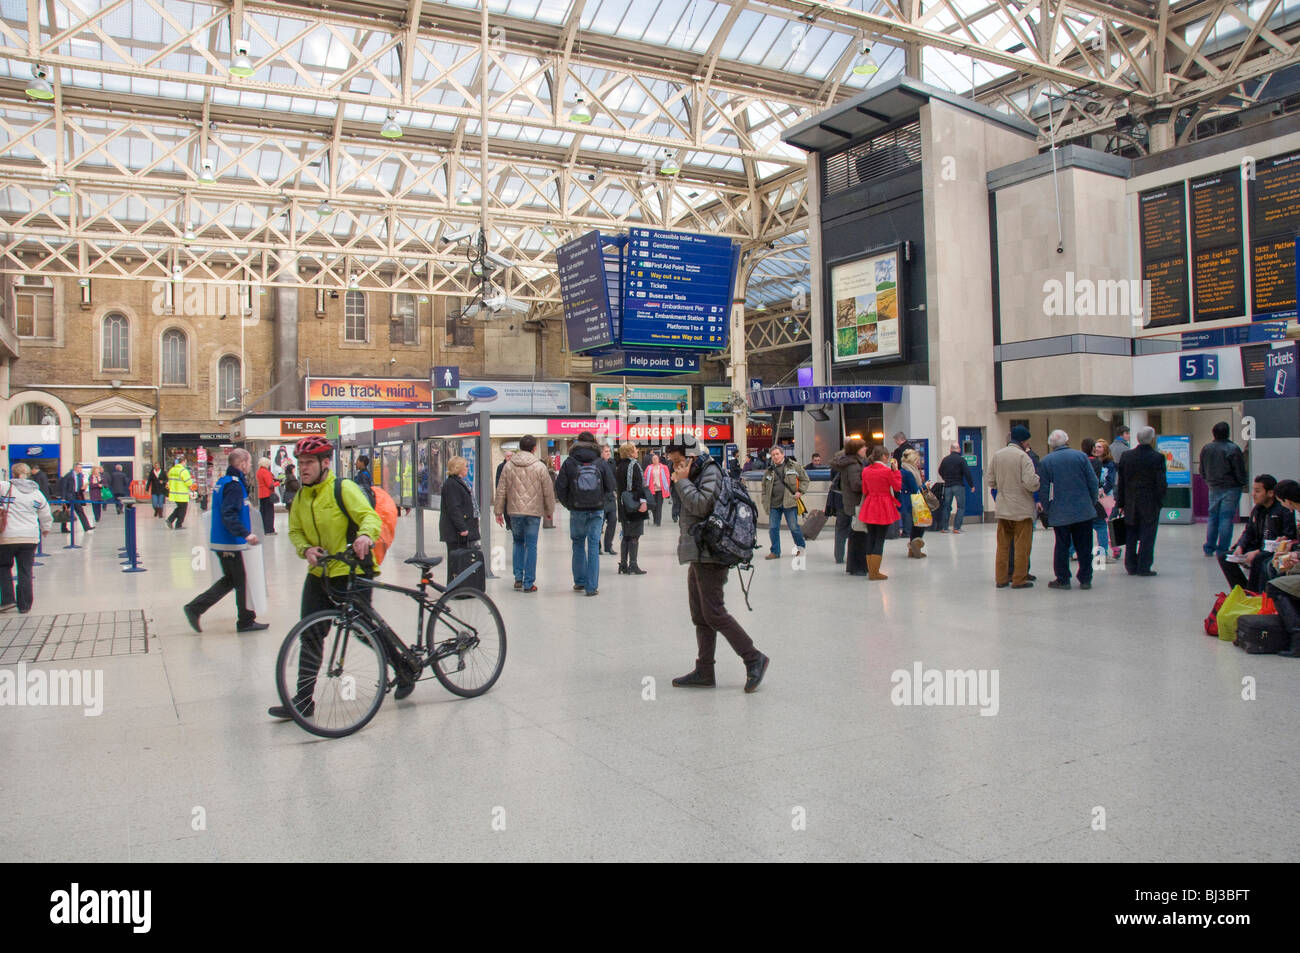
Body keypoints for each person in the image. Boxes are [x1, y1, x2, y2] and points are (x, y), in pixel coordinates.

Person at [269, 435, 415, 720]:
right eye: (300, 463)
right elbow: (295, 531)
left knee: (363, 630)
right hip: (319, 573)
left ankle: (404, 668)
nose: (303, 468)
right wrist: (306, 549)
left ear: (325, 463)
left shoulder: (342, 488)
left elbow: (369, 518)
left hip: (352, 571)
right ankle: (303, 700)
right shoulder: (301, 496)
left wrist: (364, 535)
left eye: (309, 462)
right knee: (311, 633)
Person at [665, 434, 769, 692]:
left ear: (690, 457)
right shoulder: (696, 472)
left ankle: (753, 657)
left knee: (714, 612)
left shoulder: (710, 472)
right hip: (699, 552)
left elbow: (701, 505)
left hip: (712, 553)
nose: (674, 467)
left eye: (677, 462)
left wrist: (683, 482)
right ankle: (705, 669)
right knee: (700, 615)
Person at [182, 448, 267, 634]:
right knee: (239, 581)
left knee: (232, 580)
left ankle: (199, 609)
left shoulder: (224, 481)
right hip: (230, 542)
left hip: (223, 540)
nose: (250, 467)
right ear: (242, 463)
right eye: (249, 463)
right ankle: (243, 621)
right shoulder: (234, 485)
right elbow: (228, 514)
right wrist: (246, 533)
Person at [554, 431, 615, 597]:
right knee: (594, 546)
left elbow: (560, 487)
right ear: (594, 443)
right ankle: (591, 586)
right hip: (596, 509)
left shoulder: (570, 462)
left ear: (577, 442)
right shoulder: (600, 462)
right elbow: (611, 485)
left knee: (578, 544)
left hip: (577, 509)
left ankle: (580, 581)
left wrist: (569, 504)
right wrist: (601, 499)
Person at [1038, 430, 1100, 591]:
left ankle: (1063, 578)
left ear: (1051, 444)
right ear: (1067, 440)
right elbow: (1093, 482)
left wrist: (1047, 508)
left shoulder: (1046, 461)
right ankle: (1086, 579)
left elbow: (1044, 489)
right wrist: (1091, 501)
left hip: (1060, 510)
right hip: (1083, 509)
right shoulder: (1081, 457)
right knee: (1085, 546)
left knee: (1062, 546)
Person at [493, 435, 555, 593]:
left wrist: (498, 511)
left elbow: (501, 490)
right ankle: (529, 583)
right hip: (534, 512)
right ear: (534, 448)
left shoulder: (509, 466)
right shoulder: (539, 466)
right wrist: (549, 511)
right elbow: (548, 491)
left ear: (519, 447)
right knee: (531, 545)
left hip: (514, 512)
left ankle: (518, 578)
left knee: (518, 542)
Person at [1218, 474, 1295, 593]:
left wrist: (1258, 551)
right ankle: (1242, 590)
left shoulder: (1283, 510)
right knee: (1224, 557)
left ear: (1270, 493)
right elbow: (1248, 531)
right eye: (1253, 490)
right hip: (1257, 546)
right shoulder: (1257, 510)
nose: (1253, 494)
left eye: (1258, 491)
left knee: (1259, 559)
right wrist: (1240, 546)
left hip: (1271, 549)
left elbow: (1288, 536)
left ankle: (1254, 592)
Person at [989, 425, 1040, 589]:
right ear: (1024, 440)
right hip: (1021, 508)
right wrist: (1037, 481)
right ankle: (1019, 579)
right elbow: (1030, 483)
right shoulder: (1023, 457)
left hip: (1003, 506)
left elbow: (990, 481)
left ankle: (1001, 578)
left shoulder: (997, 455)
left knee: (1002, 546)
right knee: (1022, 546)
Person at [0, 463, 53, 614]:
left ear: (13, 473)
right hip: (30, 536)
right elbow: (45, 513)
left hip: (7, 536)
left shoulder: (5, 487)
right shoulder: (36, 493)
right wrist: (46, 528)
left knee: (3, 567)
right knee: (25, 570)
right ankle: (24, 605)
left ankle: (7, 600)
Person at [1114, 426, 1167, 577]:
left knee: (1131, 533)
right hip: (1150, 502)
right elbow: (1161, 483)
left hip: (1131, 501)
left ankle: (1131, 565)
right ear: (1152, 439)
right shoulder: (1157, 457)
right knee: (1147, 535)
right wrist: (1159, 500)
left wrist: (1121, 503)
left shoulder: (1127, 456)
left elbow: (1122, 481)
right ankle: (1144, 566)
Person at [1199, 421, 1248, 559]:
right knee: (1226, 518)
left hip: (1213, 487)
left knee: (1213, 517)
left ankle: (1209, 547)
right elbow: (1239, 470)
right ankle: (1222, 549)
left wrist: (1208, 480)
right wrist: (1242, 483)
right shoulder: (1233, 449)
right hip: (1231, 487)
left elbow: (1202, 470)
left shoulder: (1206, 448)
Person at [860, 445, 902, 580]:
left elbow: (865, 490)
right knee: (880, 538)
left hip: (870, 504)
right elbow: (897, 486)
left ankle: (871, 570)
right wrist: (896, 471)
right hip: (883, 505)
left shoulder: (866, 470)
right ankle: (875, 572)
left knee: (871, 536)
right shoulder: (887, 471)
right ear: (884, 456)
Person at [761, 445, 808, 560]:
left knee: (794, 527)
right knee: (773, 528)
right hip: (774, 504)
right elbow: (764, 487)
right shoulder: (769, 471)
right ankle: (775, 551)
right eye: (773, 455)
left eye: (777, 454)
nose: (776, 457)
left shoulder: (794, 466)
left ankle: (800, 548)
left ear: (782, 454)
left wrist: (800, 492)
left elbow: (805, 479)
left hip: (789, 503)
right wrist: (764, 499)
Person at [829, 438, 866, 571]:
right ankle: (852, 558)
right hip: (850, 499)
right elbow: (856, 484)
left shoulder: (838, 459)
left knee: (840, 528)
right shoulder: (855, 463)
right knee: (854, 529)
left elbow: (832, 475)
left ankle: (839, 555)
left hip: (839, 496)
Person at [615, 442, 649, 575]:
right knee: (635, 534)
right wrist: (643, 501)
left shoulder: (620, 466)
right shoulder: (634, 465)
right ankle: (633, 565)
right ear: (630, 452)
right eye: (635, 449)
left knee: (626, 535)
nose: (637, 450)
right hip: (634, 504)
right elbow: (638, 485)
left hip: (623, 504)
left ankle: (623, 564)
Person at [439, 456, 480, 558]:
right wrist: (462, 528)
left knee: (465, 561)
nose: (468, 468)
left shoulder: (459, 482)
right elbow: (453, 508)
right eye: (466, 466)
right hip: (457, 532)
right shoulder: (452, 484)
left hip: (464, 529)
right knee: (458, 562)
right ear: (458, 468)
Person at [895, 448, 929, 559]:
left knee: (914, 526)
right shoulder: (910, 473)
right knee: (920, 525)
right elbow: (916, 490)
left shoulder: (901, 470)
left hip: (906, 501)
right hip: (915, 501)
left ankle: (912, 549)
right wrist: (925, 486)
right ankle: (915, 547)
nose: (918, 462)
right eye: (917, 460)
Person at [936, 443, 975, 533]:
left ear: (950, 449)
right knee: (960, 507)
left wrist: (945, 478)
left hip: (948, 486)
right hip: (958, 485)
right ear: (959, 449)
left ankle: (945, 527)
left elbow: (940, 470)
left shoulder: (945, 459)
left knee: (946, 507)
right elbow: (967, 473)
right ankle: (957, 528)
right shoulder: (961, 460)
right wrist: (971, 485)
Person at [58, 463, 92, 533]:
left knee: (80, 510)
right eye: (79, 468)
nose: (80, 469)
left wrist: (82, 489)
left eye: (81, 468)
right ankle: (64, 528)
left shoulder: (80, 476)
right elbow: (64, 487)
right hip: (68, 496)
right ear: (75, 468)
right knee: (65, 512)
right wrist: (63, 498)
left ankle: (86, 526)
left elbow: (79, 487)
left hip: (76, 495)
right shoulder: (68, 475)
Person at [165, 455, 195, 529]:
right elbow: (188, 483)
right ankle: (178, 524)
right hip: (182, 494)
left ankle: (170, 520)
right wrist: (192, 482)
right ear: (183, 461)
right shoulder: (183, 471)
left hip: (173, 493)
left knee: (179, 508)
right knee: (183, 510)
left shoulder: (172, 470)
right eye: (185, 462)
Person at [599, 443, 618, 556]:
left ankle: (608, 545)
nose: (608, 454)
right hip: (600, 498)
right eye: (606, 451)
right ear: (601, 453)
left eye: (609, 451)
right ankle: (597, 546)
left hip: (610, 497)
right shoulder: (597, 464)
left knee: (613, 520)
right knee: (599, 523)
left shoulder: (612, 463)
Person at [644, 452, 671, 527]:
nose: (655, 460)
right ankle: (655, 519)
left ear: (658, 459)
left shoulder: (664, 467)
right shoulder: (649, 467)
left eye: (656, 458)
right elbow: (645, 477)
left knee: (659, 506)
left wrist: (667, 486)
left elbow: (667, 477)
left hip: (660, 489)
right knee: (653, 506)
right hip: (652, 489)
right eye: (653, 459)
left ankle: (657, 521)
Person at [494, 448, 515, 533]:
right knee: (506, 508)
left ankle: (513, 524)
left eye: (511, 456)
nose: (509, 458)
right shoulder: (501, 467)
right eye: (507, 456)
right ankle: (508, 524)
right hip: (505, 492)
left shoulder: (515, 466)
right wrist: (498, 490)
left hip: (514, 492)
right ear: (505, 457)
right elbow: (498, 479)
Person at [256, 457, 278, 535]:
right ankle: (269, 530)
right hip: (267, 494)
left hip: (261, 494)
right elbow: (270, 485)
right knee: (269, 513)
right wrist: (278, 483)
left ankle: (264, 529)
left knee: (263, 512)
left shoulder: (259, 472)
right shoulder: (265, 472)